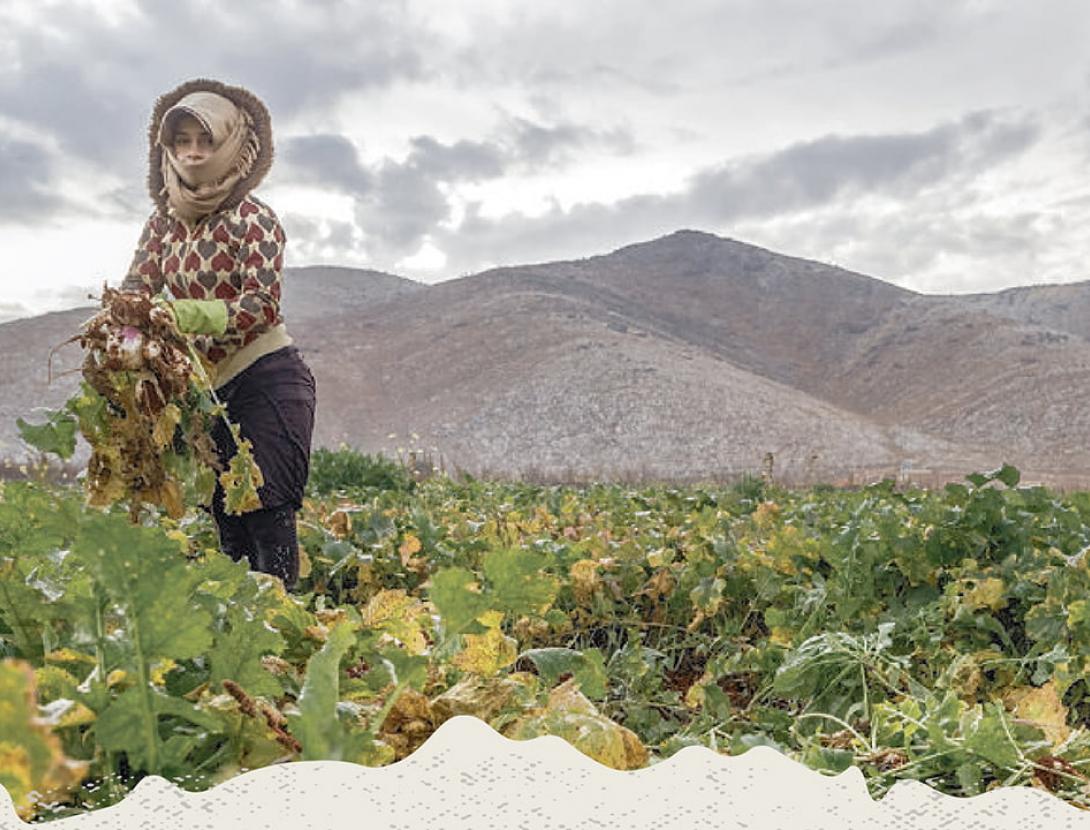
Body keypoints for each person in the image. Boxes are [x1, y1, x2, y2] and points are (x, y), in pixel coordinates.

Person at [121, 77, 315, 590]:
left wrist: (182, 317)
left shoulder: (253, 220)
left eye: (206, 141)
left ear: (233, 146)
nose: (193, 153)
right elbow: (137, 291)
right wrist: (121, 341)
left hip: (264, 378)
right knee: (227, 521)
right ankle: (240, 640)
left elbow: (261, 305)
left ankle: (280, 633)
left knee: (267, 514)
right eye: (182, 141)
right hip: (203, 391)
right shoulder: (161, 224)